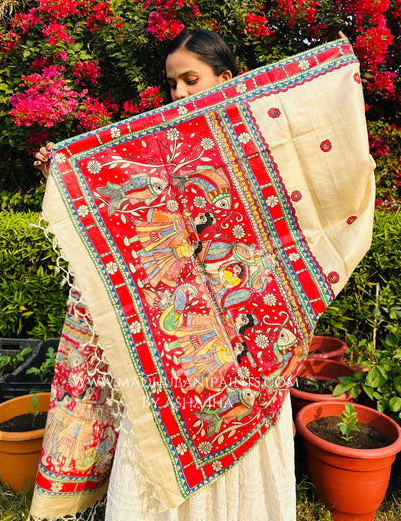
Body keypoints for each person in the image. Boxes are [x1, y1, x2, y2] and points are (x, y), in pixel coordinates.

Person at [32, 28, 297, 521]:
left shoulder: (259, 146)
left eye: (191, 80)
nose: (179, 95)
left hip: (247, 334)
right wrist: (71, 169)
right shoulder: (162, 146)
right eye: (173, 84)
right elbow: (125, 195)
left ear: (227, 78)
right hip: (174, 337)